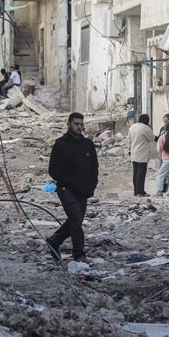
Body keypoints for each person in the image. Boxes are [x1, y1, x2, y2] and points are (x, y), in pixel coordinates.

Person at [46, 112, 99, 263]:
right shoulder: (61, 144)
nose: (79, 127)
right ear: (69, 124)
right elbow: (53, 170)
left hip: (83, 190)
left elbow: (94, 166)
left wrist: (92, 183)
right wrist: (67, 182)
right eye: (76, 124)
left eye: (81, 124)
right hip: (66, 189)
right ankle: (79, 254)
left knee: (76, 221)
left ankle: (54, 241)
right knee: (75, 219)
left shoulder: (87, 144)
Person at [128, 114, 154, 197]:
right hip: (142, 153)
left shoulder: (132, 127)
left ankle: (136, 191)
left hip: (134, 152)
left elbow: (129, 139)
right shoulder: (145, 128)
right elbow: (152, 138)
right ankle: (140, 191)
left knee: (135, 173)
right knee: (141, 173)